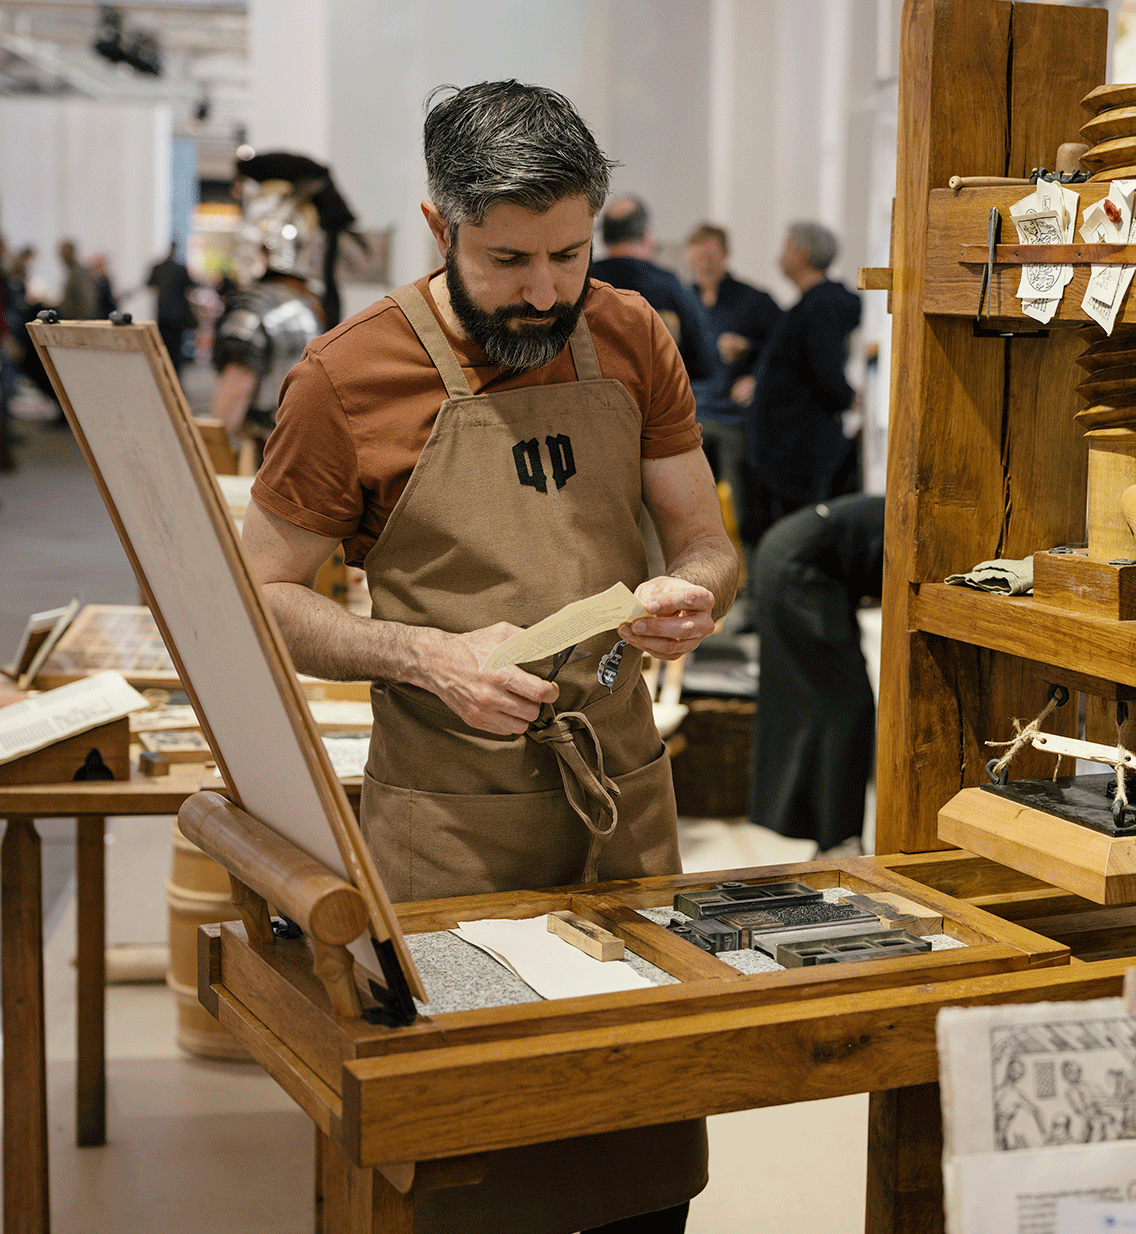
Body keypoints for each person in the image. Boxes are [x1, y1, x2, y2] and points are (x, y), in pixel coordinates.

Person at [240, 80, 735, 1234]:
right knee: (467, 1171)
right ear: (437, 226)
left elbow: (708, 543)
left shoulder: (627, 334)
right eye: (509, 260)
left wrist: (690, 596)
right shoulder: (345, 379)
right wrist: (424, 655)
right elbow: (258, 597)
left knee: (639, 1159)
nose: (546, 290)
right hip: (452, 832)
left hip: (618, 806)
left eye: (569, 253)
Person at [747, 493, 882, 854]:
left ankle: (831, 835)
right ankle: (838, 839)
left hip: (785, 554)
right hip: (799, 568)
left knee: (820, 702)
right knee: (846, 707)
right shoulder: (927, 521)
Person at [207, 151, 348, 439]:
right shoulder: (309, 306)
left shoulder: (255, 309)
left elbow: (233, 399)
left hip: (259, 453)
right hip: (302, 444)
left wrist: (209, 456)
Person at [745, 221, 861, 534]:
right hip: (792, 445)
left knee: (798, 532)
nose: (779, 256)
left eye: (785, 247)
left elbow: (825, 372)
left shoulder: (821, 306)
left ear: (802, 253)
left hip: (800, 449)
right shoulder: (812, 304)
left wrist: (848, 396)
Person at [684, 223, 779, 553]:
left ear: (725, 256)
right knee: (692, 509)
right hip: (691, 416)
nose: (704, 267)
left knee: (744, 508)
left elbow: (783, 349)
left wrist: (752, 363)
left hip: (732, 420)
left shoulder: (753, 301)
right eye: (697, 260)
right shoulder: (683, 303)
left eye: (710, 258)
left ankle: (752, 586)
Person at [589, 195, 711, 379]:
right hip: (661, 402)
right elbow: (705, 361)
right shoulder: (671, 287)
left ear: (605, 238)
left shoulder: (583, 282)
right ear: (647, 236)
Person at [146, 242, 198, 375]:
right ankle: (174, 378)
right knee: (175, 350)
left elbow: (149, 285)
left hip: (163, 315)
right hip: (177, 317)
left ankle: (164, 376)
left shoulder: (158, 267)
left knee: (162, 348)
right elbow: (191, 287)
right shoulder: (180, 269)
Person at [57, 239, 99, 320]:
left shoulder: (80, 272)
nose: (63, 256)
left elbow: (87, 299)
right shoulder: (72, 271)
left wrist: (83, 321)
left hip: (79, 320)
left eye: (65, 253)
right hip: (71, 319)